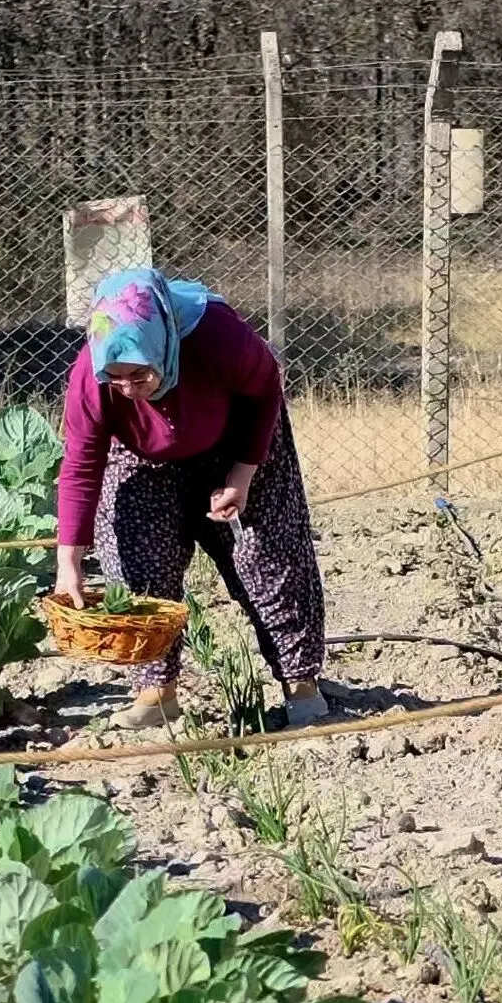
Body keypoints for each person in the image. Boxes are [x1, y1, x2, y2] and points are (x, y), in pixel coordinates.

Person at [55, 269, 329, 730]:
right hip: (142, 452)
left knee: (265, 557)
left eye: (139, 373)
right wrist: (70, 562)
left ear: (161, 346)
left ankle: (302, 685)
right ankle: (156, 693)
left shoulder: (217, 336)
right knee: (139, 558)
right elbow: (81, 466)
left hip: (237, 436)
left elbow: (265, 392)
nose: (127, 387)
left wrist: (242, 475)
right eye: (115, 377)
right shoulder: (91, 377)